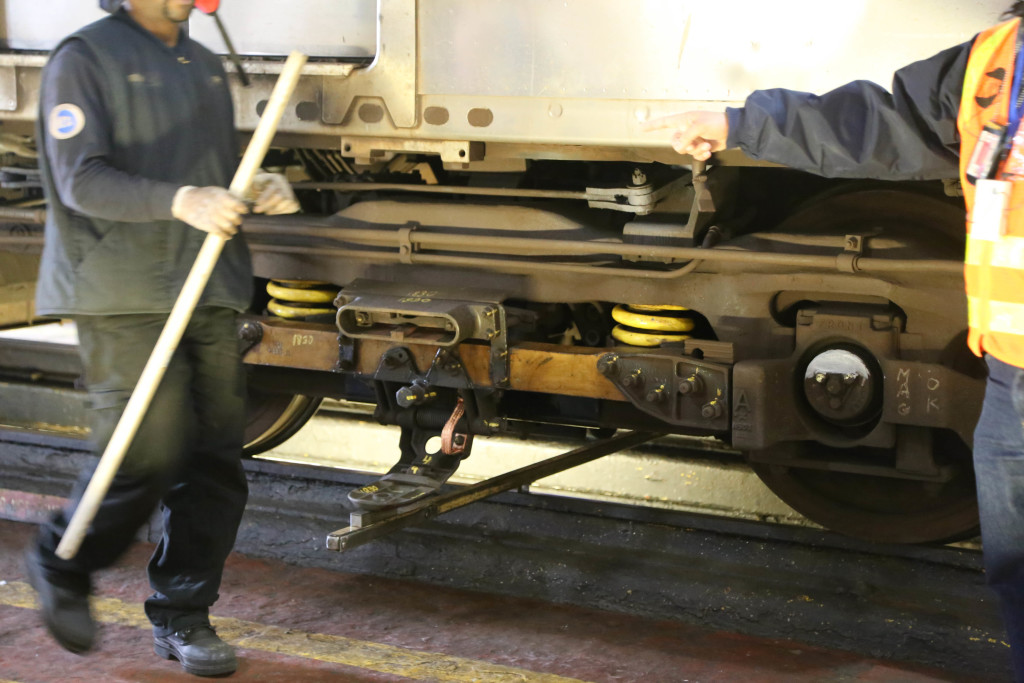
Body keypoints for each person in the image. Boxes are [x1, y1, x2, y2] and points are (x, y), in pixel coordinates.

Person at [642, 2, 1024, 680]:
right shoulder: (996, 58)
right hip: (1011, 380)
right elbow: (884, 124)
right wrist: (739, 124)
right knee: (1017, 576)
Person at [24, 0, 299, 677]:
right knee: (147, 448)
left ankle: (183, 613)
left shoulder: (202, 64)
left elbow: (210, 171)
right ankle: (62, 561)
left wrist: (251, 185)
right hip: (121, 288)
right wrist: (183, 200)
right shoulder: (83, 58)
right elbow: (79, 178)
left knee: (213, 460)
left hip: (205, 284)